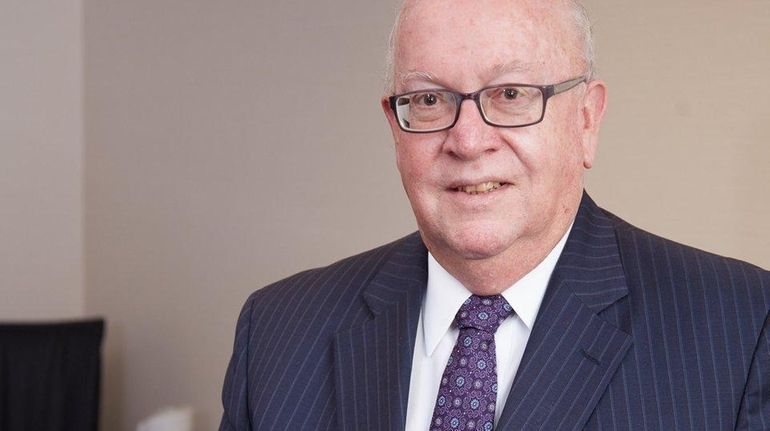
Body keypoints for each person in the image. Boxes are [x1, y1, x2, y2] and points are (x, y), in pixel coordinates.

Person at [219, 0, 770, 429]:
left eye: (510, 93)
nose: (468, 139)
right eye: (430, 100)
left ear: (586, 120)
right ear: (395, 127)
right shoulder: (277, 331)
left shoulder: (742, 328)